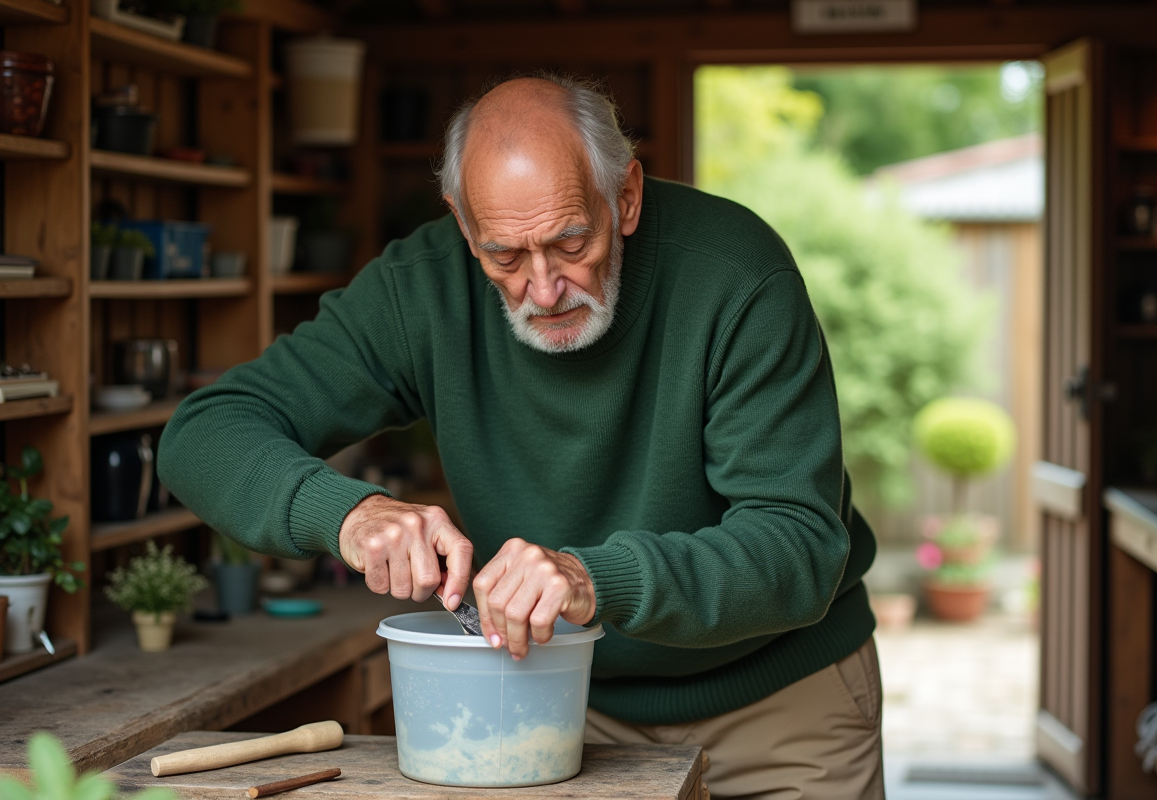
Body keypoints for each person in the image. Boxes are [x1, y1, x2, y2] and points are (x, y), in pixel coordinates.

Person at [159, 73, 882, 799]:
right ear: (463, 223)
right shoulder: (422, 287)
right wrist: (348, 515)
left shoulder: (737, 276)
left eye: (572, 242)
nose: (543, 289)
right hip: (561, 706)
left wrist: (592, 577)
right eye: (504, 255)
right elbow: (204, 432)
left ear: (625, 196)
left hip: (779, 707)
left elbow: (799, 542)